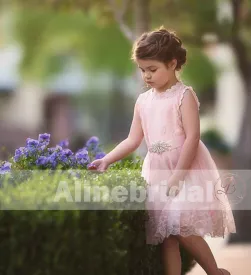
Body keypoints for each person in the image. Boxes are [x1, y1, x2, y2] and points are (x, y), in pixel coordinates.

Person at [88, 26, 236, 275]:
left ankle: (216, 271)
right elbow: (133, 140)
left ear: (172, 63)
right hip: (156, 172)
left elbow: (192, 138)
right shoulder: (143, 101)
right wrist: (107, 160)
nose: (146, 75)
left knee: (179, 226)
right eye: (142, 70)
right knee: (168, 236)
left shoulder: (184, 96)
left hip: (184, 170)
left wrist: (178, 175)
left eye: (152, 69)